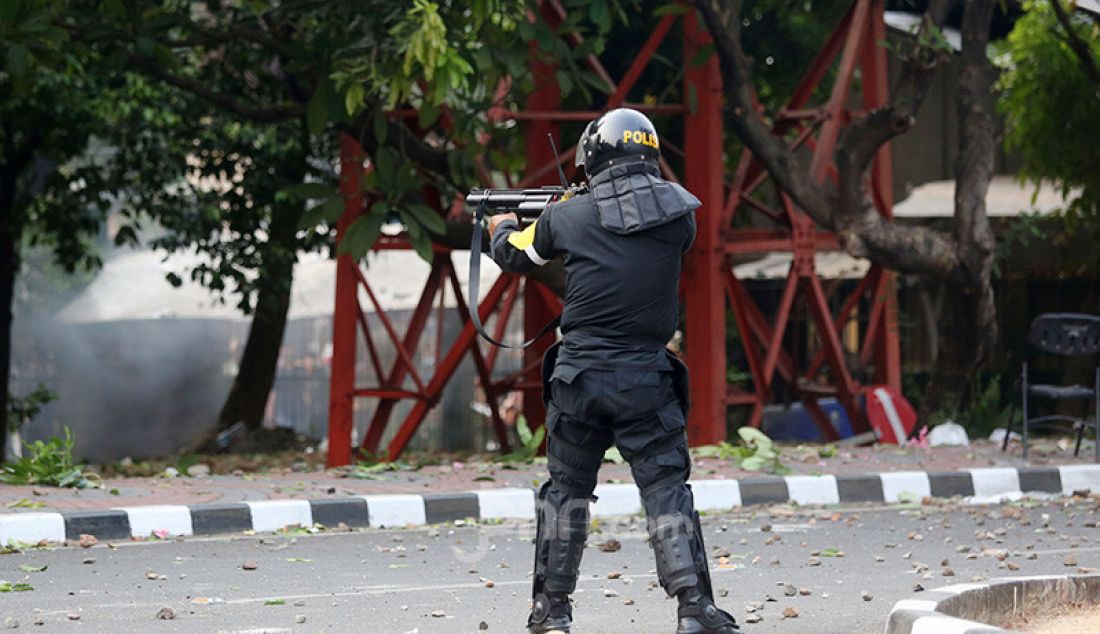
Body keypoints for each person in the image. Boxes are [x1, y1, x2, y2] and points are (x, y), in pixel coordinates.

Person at [488, 108, 740, 634]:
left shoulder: (566, 218)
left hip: (579, 380)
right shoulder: (681, 217)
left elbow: (517, 256)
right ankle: (693, 608)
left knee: (566, 492)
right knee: (666, 489)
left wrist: (503, 226)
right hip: (646, 380)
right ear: (647, 151)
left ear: (592, 156)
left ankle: (550, 613)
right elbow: (632, 220)